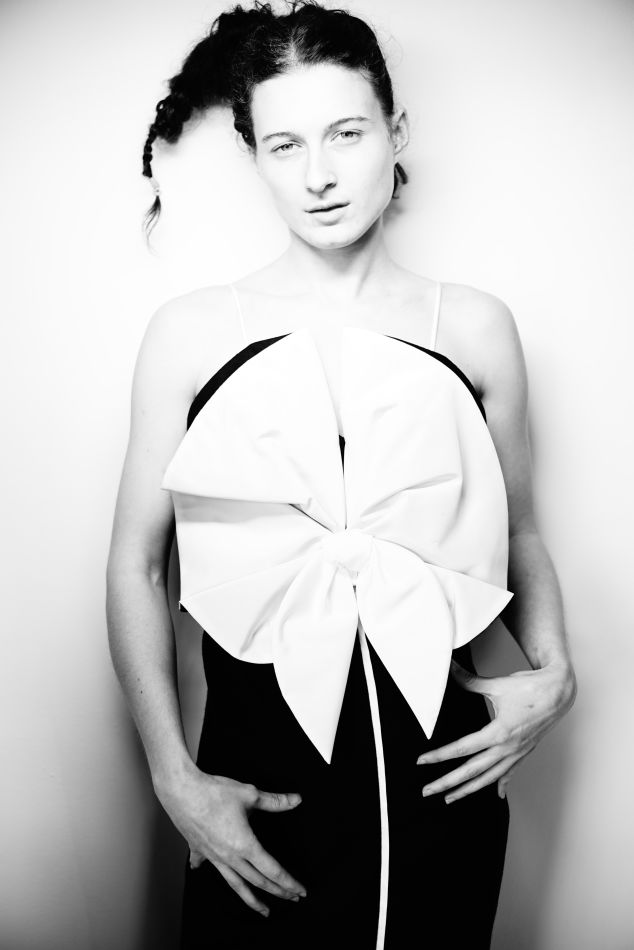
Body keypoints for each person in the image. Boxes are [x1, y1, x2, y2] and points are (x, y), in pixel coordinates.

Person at [106, 2, 578, 947]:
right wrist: (174, 778)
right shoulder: (190, 335)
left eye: (346, 134)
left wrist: (556, 672)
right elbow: (138, 565)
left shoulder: (474, 327)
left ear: (395, 133)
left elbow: (519, 529)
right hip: (254, 805)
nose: (317, 175)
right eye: (284, 145)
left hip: (448, 784)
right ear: (254, 156)